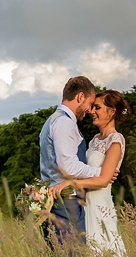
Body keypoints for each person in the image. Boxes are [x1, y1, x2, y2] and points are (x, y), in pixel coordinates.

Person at [53, 89, 130, 257]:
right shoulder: (95, 140)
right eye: (92, 107)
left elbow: (104, 180)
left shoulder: (116, 140)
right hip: (85, 205)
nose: (91, 111)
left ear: (111, 112)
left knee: (104, 255)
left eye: (97, 107)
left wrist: (69, 184)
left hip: (100, 206)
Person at [39, 76, 115, 245]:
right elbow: (69, 168)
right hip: (67, 205)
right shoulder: (64, 123)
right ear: (80, 97)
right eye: (90, 103)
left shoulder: (52, 120)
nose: (89, 110)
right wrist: (101, 173)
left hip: (58, 203)